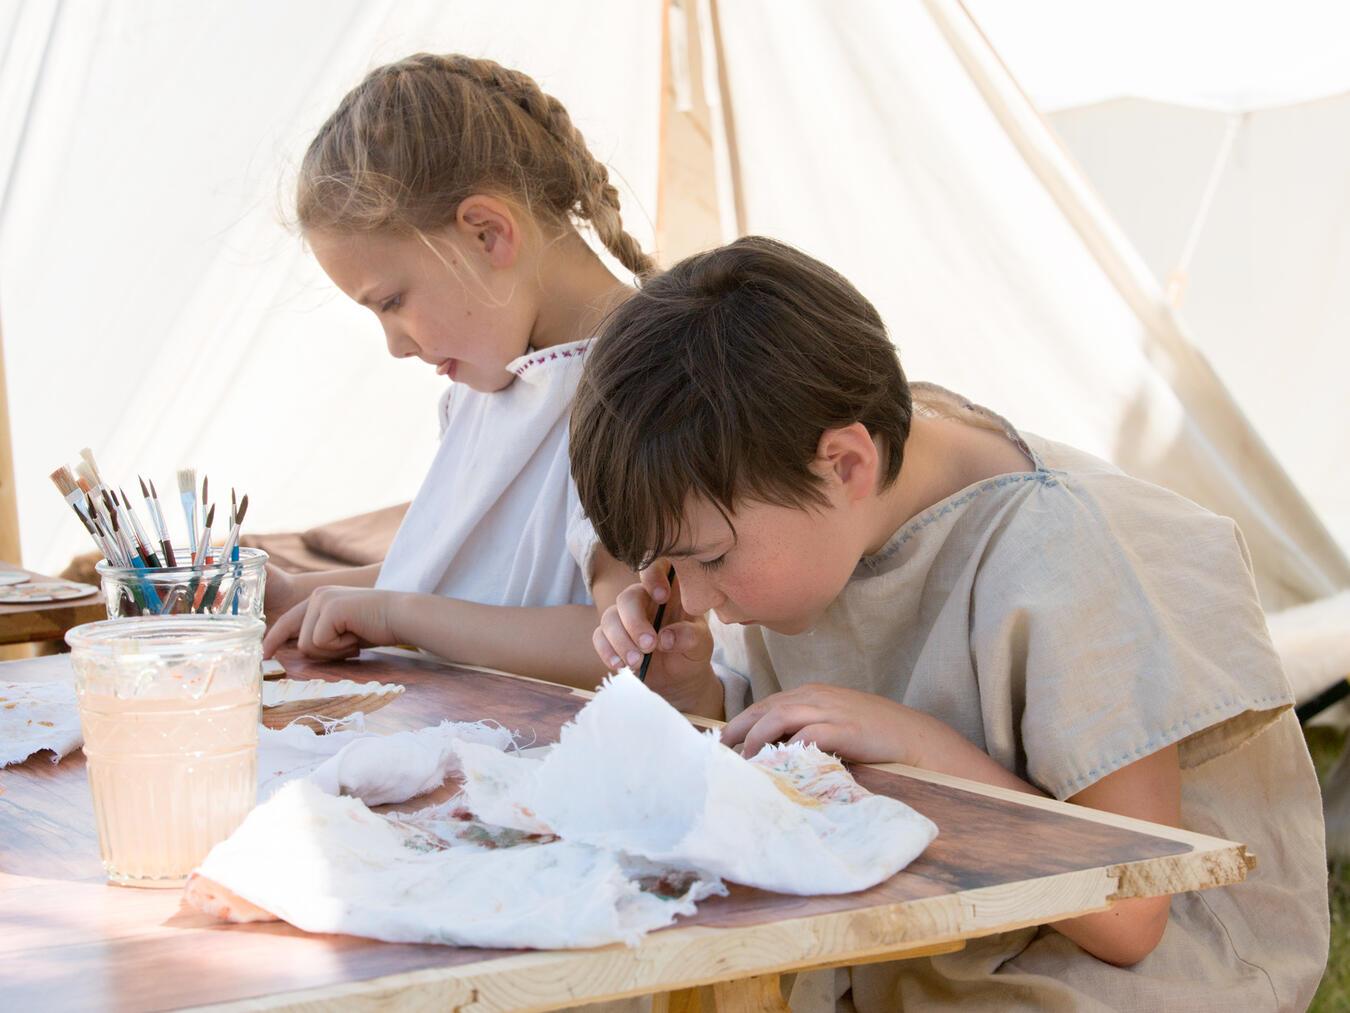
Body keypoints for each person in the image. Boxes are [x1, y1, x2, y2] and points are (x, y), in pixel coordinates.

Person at [572, 236, 1328, 1009]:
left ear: (845, 466)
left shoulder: (1056, 551)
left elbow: (1133, 915)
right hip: (936, 932)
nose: (692, 596)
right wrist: (690, 678)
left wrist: (916, 749)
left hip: (1121, 970)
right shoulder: (797, 503)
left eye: (711, 559)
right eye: (669, 569)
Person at [262, 53, 643, 689]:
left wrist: (397, 616)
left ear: (487, 234)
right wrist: (291, 590)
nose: (394, 345)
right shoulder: (492, 380)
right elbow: (467, 574)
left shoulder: (641, 389)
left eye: (391, 301)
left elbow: (627, 648)